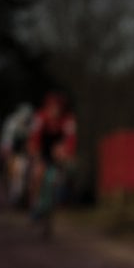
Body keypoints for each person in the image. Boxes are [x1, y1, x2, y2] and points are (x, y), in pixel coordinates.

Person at [27, 90, 77, 231]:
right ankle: (35, 205)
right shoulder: (40, 117)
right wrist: (35, 155)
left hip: (58, 150)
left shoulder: (68, 120)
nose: (55, 111)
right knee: (37, 173)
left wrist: (67, 153)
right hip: (41, 149)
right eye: (52, 107)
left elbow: (71, 139)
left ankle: (59, 202)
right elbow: (34, 138)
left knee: (62, 176)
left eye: (58, 108)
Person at [0, 101, 33, 209]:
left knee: (21, 175)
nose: (26, 119)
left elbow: (32, 142)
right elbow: (6, 139)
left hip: (23, 153)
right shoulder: (12, 122)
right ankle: (7, 199)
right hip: (12, 151)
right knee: (10, 174)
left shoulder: (32, 123)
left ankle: (18, 201)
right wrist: (6, 153)